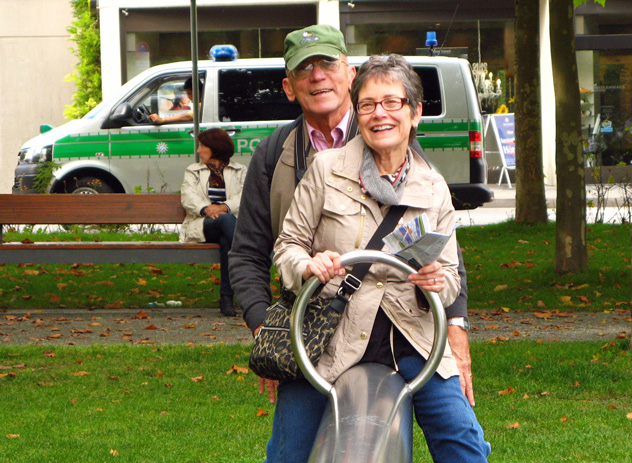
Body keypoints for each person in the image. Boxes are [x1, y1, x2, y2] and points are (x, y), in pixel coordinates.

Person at [271, 54, 494, 463]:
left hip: (411, 333)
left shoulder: (433, 188)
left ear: (415, 113)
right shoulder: (327, 168)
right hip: (332, 332)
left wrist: (436, 281)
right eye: (369, 104)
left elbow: (450, 277)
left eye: (392, 103)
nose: (380, 114)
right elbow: (287, 247)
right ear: (358, 112)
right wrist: (308, 266)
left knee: (467, 456)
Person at [229, 24, 477, 409]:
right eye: (303, 69)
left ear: (350, 74)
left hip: (397, 325)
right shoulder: (273, 154)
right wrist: (268, 331)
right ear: (289, 87)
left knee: (456, 436)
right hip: (316, 324)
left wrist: (456, 327)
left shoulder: (393, 139)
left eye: (328, 63)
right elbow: (249, 251)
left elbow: (438, 247)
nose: (317, 76)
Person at [180, 128, 246, 316]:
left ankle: (226, 298)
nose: (198, 150)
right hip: (203, 224)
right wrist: (207, 209)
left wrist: (224, 207)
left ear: (215, 148)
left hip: (228, 226)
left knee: (227, 241)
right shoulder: (193, 171)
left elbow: (245, 196)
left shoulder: (240, 170)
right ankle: (246, 259)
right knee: (226, 222)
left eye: (202, 146)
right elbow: (188, 196)